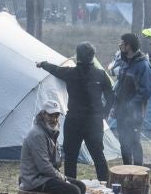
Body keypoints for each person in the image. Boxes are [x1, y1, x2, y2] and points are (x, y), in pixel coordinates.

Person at [38, 43, 113, 180]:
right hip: (94, 121)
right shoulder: (100, 75)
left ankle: (71, 186)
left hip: (74, 120)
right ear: (92, 57)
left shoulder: (70, 73)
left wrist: (43, 63)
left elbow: (55, 69)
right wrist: (104, 113)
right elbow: (111, 96)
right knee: (98, 154)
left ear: (78, 57)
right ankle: (105, 185)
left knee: (71, 156)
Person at [19, 100, 87, 194]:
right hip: (35, 179)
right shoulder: (37, 135)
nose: (54, 119)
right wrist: (61, 177)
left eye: (56, 116)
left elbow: (55, 162)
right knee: (73, 191)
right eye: (50, 115)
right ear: (43, 114)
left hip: (45, 176)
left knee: (80, 186)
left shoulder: (50, 132)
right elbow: (44, 166)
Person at [110, 32, 151, 167]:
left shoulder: (143, 66)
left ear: (128, 46)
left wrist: (130, 105)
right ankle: (126, 170)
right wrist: (115, 106)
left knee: (134, 142)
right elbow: (120, 87)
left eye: (122, 44)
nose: (120, 46)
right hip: (121, 111)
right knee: (123, 142)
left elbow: (146, 91)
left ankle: (139, 171)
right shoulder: (125, 62)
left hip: (134, 113)